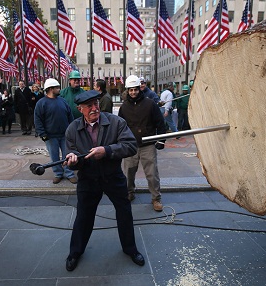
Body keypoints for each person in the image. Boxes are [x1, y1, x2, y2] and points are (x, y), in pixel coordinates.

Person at [63, 90, 145, 271]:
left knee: (124, 212)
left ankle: (130, 249)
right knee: (83, 216)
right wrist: (73, 160)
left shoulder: (116, 122)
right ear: (80, 109)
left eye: (96, 104)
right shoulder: (72, 129)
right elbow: (70, 155)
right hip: (87, 179)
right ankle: (75, 252)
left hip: (112, 176)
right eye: (89, 106)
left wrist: (106, 151)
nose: (94, 108)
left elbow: (130, 146)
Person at [118, 75, 167, 212]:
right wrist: (121, 143)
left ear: (139, 89)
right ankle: (130, 193)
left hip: (148, 145)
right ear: (127, 90)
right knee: (128, 173)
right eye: (130, 90)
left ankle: (156, 198)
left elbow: (160, 124)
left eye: (135, 89)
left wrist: (161, 140)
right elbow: (120, 127)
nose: (133, 92)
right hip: (131, 146)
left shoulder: (150, 104)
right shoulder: (124, 107)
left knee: (152, 174)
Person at [34, 78, 77, 184]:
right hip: (50, 136)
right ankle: (58, 173)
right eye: (57, 87)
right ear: (50, 89)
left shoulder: (62, 101)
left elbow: (70, 116)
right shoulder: (41, 103)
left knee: (68, 155)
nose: (59, 89)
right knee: (54, 156)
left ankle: (69, 173)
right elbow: (37, 120)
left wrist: (72, 130)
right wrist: (42, 134)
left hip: (65, 135)